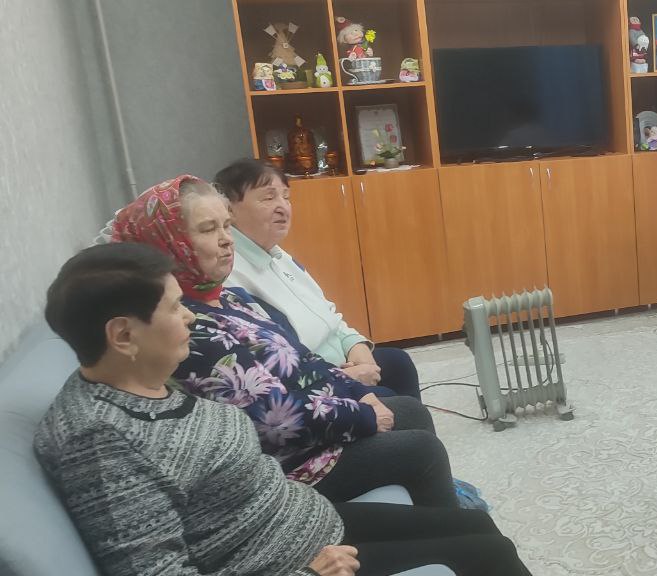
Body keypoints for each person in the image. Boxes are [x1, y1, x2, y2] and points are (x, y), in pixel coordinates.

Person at [35, 242, 531, 576]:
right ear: (123, 335)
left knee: (480, 529)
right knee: (487, 552)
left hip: (300, 522)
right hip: (284, 561)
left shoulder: (148, 381)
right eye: (172, 307)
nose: (189, 316)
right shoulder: (98, 441)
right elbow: (156, 570)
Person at [112, 175, 455, 507]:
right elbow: (273, 419)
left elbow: (302, 357)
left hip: (311, 424)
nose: (226, 239)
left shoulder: (229, 297)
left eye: (226, 226)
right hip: (288, 463)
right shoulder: (187, 326)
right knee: (420, 450)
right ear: (167, 244)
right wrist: (363, 415)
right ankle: (443, 524)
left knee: (408, 410)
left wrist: (357, 393)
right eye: (208, 229)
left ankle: (437, 510)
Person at [213, 158, 422, 401]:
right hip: (310, 385)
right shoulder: (229, 275)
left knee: (398, 362)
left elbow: (329, 314)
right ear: (229, 210)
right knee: (398, 404)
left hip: (337, 363)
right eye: (268, 198)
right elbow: (275, 362)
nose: (283, 207)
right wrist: (343, 377)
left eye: (286, 197)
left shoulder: (279, 256)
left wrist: (357, 347)